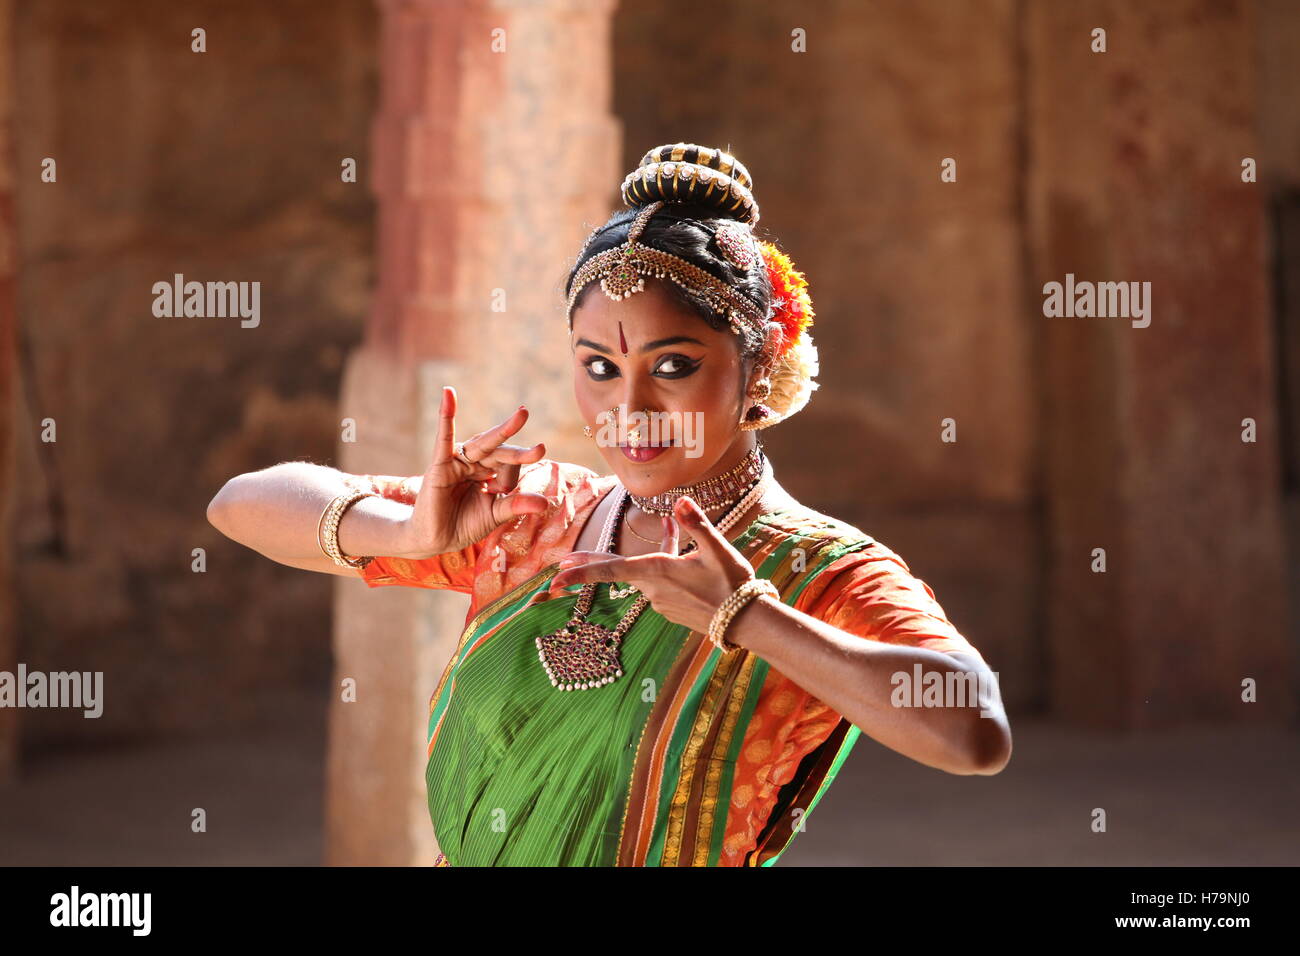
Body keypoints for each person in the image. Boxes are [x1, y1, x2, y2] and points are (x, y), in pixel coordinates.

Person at [207, 143, 1011, 867]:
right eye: (598, 368)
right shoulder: (538, 514)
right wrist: (408, 529)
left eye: (673, 366)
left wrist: (749, 618)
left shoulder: (818, 571)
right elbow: (237, 504)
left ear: (758, 369)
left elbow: (973, 731)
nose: (628, 409)